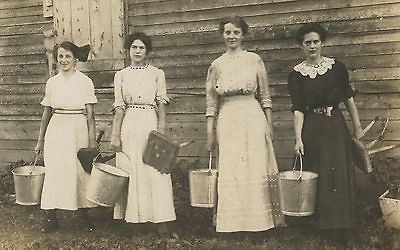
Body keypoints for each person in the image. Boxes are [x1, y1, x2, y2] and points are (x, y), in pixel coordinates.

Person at [206, 16, 285, 233]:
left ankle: (259, 223)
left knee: (255, 165)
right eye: (228, 32)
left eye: (236, 32)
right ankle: (232, 224)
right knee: (232, 168)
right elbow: (211, 103)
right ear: (222, 35)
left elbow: (266, 96)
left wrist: (269, 126)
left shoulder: (254, 60)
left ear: (243, 34)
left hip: (252, 116)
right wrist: (209, 134)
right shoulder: (216, 65)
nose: (232, 36)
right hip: (228, 117)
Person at [287, 23, 363, 233]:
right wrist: (298, 139)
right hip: (312, 128)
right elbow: (299, 109)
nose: (312, 46)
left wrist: (357, 126)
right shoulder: (296, 75)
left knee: (337, 173)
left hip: (335, 127)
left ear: (322, 43)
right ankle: (317, 225)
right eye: (307, 42)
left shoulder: (337, 68)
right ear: (301, 45)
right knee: (316, 173)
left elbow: (348, 99)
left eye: (315, 42)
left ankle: (340, 226)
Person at [110, 32, 176, 236]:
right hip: (129, 124)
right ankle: (133, 221)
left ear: (147, 51)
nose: (137, 51)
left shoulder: (157, 73)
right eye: (134, 47)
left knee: (155, 170)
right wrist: (115, 134)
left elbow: (161, 103)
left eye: (141, 48)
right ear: (128, 50)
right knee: (131, 168)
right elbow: (120, 107)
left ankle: (161, 221)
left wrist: (162, 128)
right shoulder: (121, 75)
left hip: (150, 122)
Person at [35, 41, 98, 233]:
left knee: (80, 171)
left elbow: (90, 114)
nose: (63, 60)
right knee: (55, 171)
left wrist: (92, 140)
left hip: (77, 128)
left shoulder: (85, 82)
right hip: (57, 129)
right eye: (60, 56)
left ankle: (83, 215)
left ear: (76, 59)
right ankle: (50, 216)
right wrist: (40, 140)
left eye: (67, 56)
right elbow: (46, 114)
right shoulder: (52, 82)